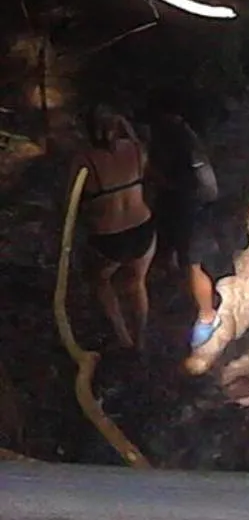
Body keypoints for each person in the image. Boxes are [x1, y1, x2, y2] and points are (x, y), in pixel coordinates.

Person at [74, 106, 155, 350]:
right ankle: (140, 339)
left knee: (100, 281)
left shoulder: (85, 159)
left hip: (109, 237)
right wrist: (124, 125)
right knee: (137, 282)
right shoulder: (134, 150)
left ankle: (123, 337)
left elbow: (71, 199)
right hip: (143, 230)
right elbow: (140, 147)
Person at [149, 109, 223, 352]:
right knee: (180, 257)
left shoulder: (184, 150)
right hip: (186, 206)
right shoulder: (187, 138)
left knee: (193, 265)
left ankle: (208, 315)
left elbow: (204, 187)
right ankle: (187, 297)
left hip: (191, 208)